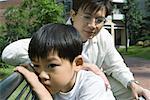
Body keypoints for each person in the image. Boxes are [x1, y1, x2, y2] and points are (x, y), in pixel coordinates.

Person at [2, 0, 150, 99]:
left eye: (99, 20)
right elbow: (9, 53)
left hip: (91, 84)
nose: (93, 25)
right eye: (87, 17)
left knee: (132, 92)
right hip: (68, 86)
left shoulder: (103, 36)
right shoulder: (57, 40)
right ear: (73, 14)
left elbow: (116, 65)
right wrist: (84, 64)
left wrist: (133, 84)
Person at [15, 23, 115, 100]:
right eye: (36, 66)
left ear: (77, 63)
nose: (42, 75)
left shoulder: (91, 84)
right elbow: (9, 54)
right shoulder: (56, 84)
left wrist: (38, 88)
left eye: (52, 65)